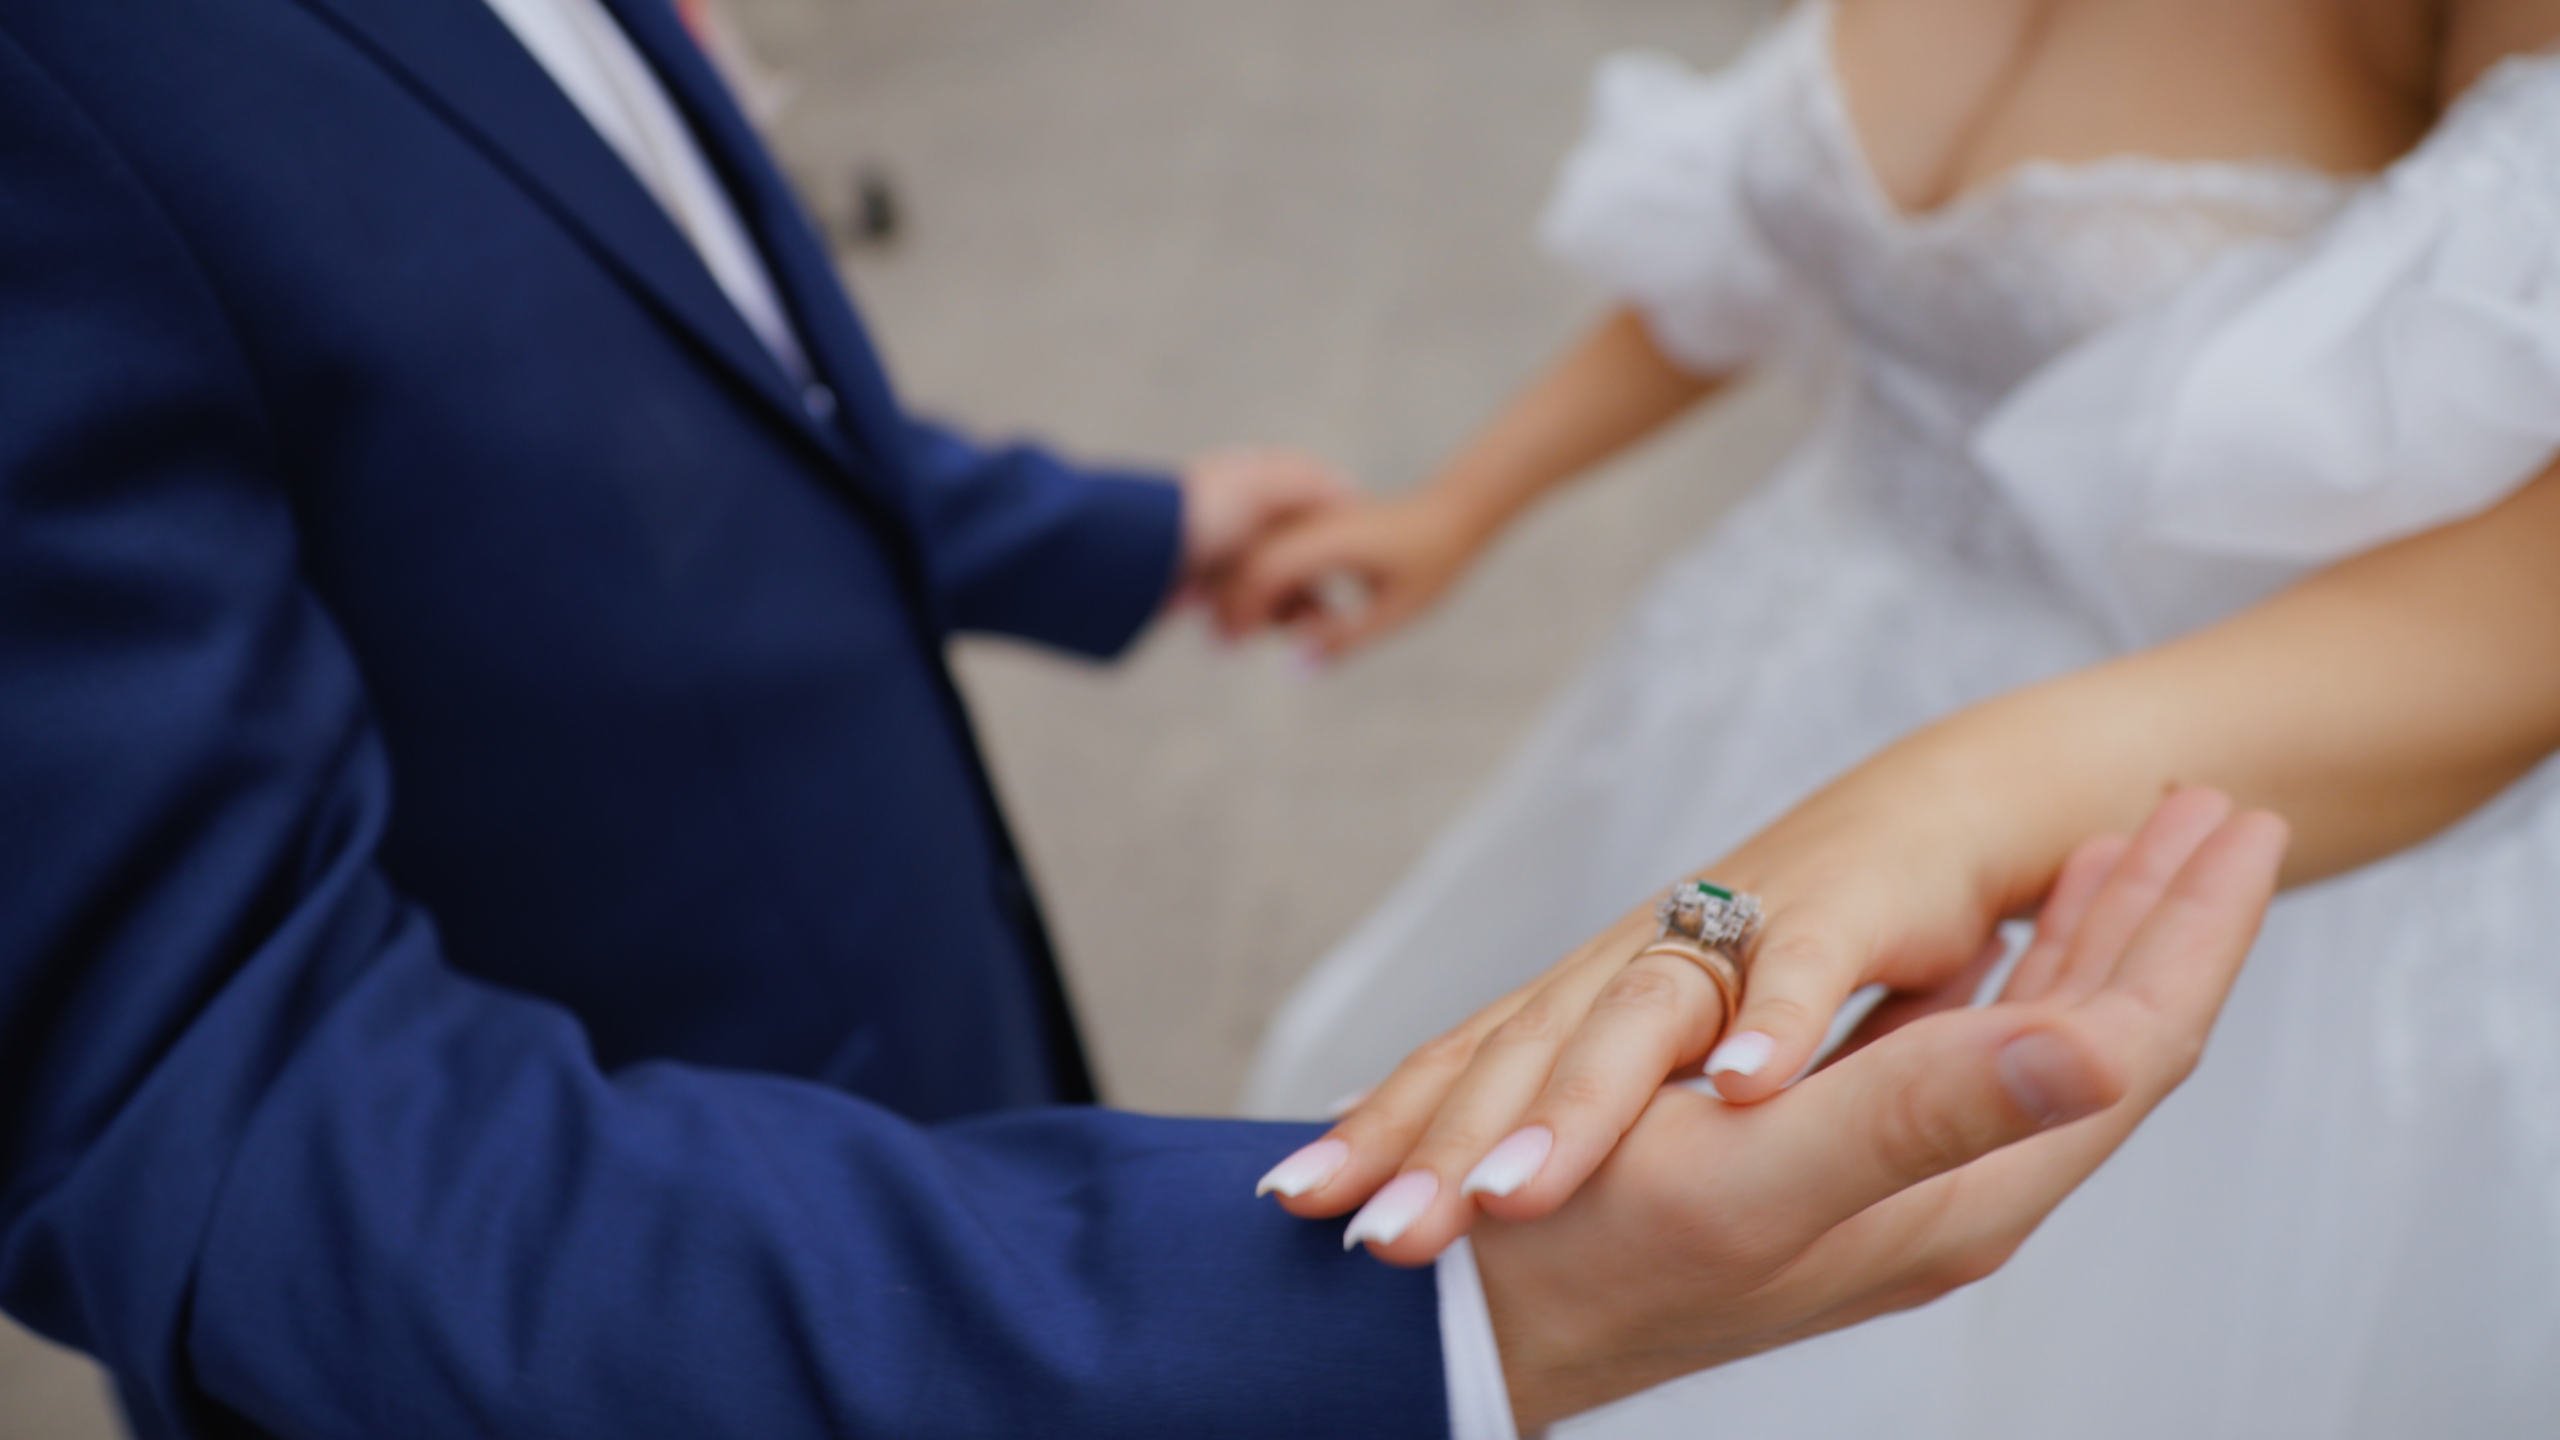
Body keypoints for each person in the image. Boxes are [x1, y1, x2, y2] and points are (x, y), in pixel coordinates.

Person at [0, 0, 2282, 1436]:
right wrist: (1407, 1319)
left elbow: (586, 349)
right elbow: (195, 1078)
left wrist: (1110, 530)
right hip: (577, 1296)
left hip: (897, 1021)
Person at [1231, 0, 2560, 1432]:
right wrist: (1462, 505)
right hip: (1763, 684)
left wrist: (1942, 802)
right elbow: (1764, 243)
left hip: (2175, 804)